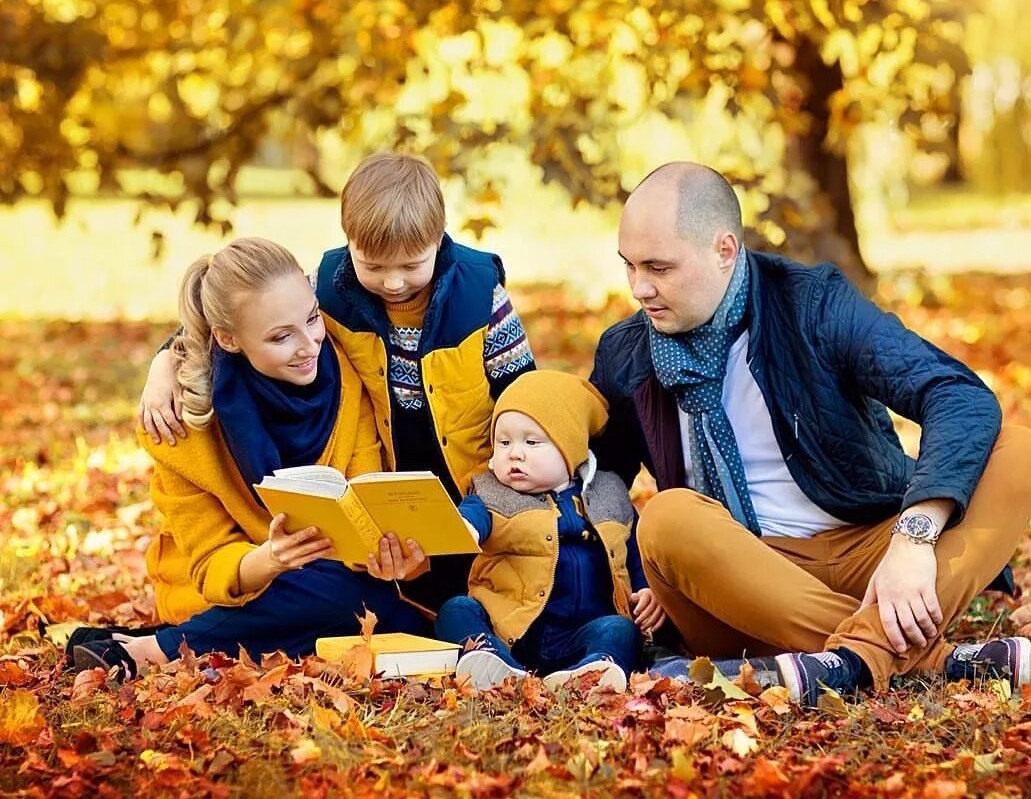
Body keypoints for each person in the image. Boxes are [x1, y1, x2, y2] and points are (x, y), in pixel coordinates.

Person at [589, 161, 1031, 706]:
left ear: (725, 250)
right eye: (629, 266)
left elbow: (956, 395)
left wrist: (914, 535)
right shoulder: (627, 352)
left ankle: (846, 662)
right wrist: (639, 580)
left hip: (871, 553)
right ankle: (921, 659)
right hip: (745, 581)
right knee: (668, 518)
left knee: (1023, 452)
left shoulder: (812, 304)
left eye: (659, 267)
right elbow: (601, 474)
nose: (639, 288)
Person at [137, 153, 536, 617]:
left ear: (439, 239)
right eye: (373, 265)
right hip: (391, 492)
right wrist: (165, 360)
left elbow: (524, 401)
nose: (393, 282)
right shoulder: (326, 292)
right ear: (349, 245)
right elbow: (240, 318)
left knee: (469, 613)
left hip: (473, 496)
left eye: (411, 265)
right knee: (394, 604)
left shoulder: (481, 298)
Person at [70, 238, 430, 681]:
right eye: (281, 336)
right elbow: (208, 560)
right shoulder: (184, 424)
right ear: (228, 339)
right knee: (346, 601)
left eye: (312, 318)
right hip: (233, 588)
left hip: (329, 578)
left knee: (397, 614)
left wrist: (381, 554)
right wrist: (271, 559)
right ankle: (160, 649)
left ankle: (160, 643)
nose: (309, 345)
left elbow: (363, 505)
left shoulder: (345, 372)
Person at [435, 370, 666, 692]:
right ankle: (492, 660)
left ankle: (593, 668)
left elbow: (637, 551)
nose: (515, 453)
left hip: (584, 630)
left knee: (619, 629)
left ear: (571, 449)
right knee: (457, 609)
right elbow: (470, 518)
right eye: (503, 443)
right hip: (509, 629)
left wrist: (648, 589)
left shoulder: (610, 493)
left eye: (531, 442)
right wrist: (463, 529)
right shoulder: (489, 492)